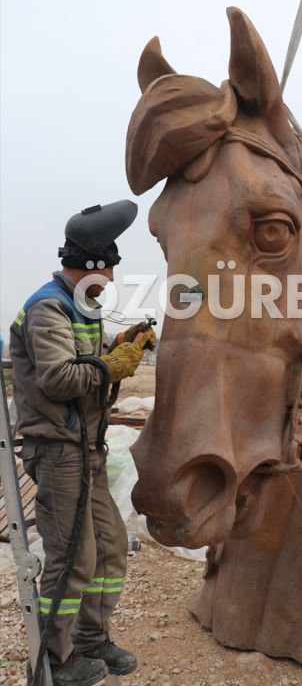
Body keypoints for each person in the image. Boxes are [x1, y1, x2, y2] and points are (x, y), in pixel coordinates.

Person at [10, 201, 156, 686]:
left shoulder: (80, 308)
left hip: (84, 449)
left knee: (110, 549)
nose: (112, 280)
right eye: (109, 269)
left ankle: (92, 641)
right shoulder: (49, 307)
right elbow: (57, 377)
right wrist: (112, 366)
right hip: (58, 452)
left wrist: (120, 345)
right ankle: (55, 658)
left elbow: (85, 359)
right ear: (93, 265)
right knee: (72, 558)